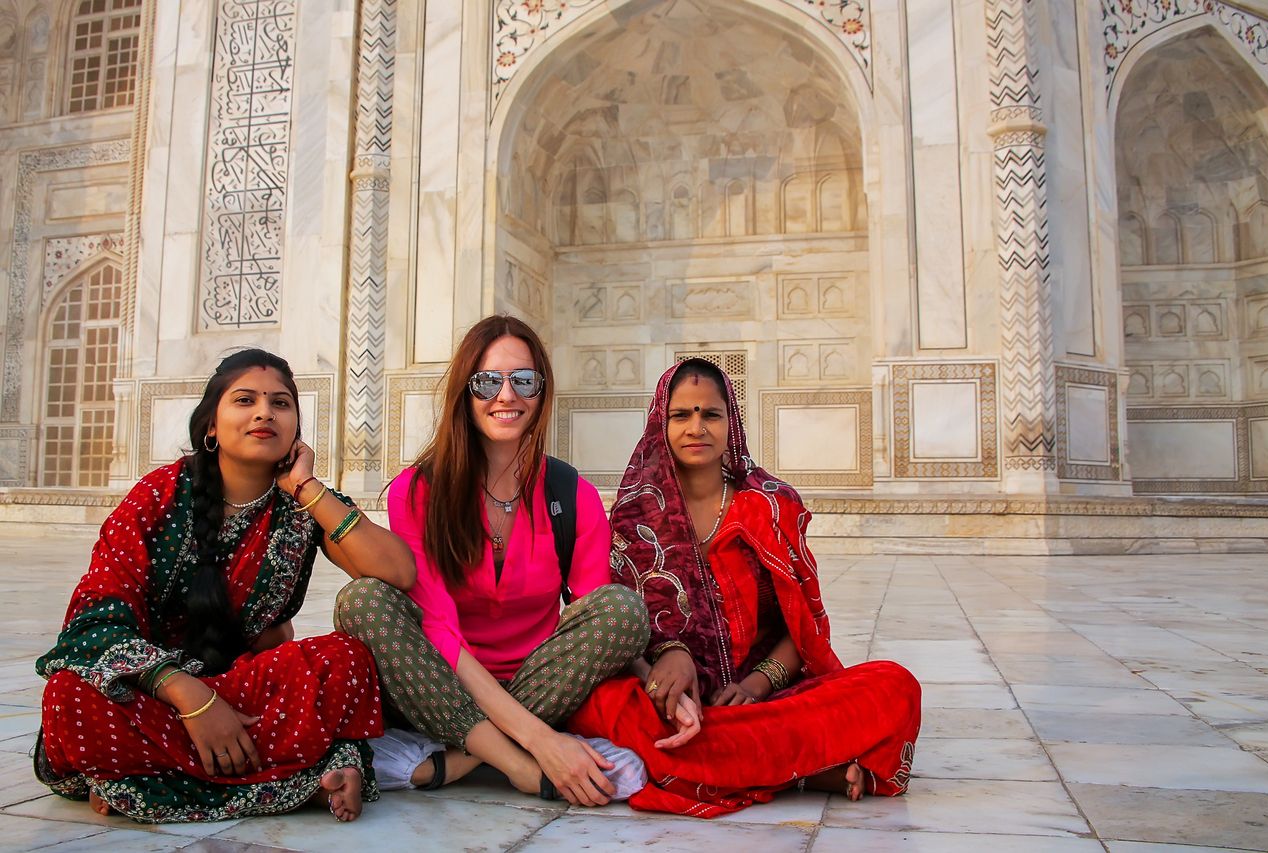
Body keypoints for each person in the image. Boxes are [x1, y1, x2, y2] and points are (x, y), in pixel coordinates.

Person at [34, 349, 416, 823]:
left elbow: (398, 573)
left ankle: (140, 783)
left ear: (295, 427)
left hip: (242, 696)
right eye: (245, 400)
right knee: (69, 696)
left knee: (346, 660)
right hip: (153, 694)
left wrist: (306, 488)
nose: (264, 413)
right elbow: (93, 622)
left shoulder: (302, 506)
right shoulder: (158, 496)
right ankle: (296, 779)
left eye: (280, 403)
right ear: (211, 425)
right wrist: (189, 696)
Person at [567, 358, 922, 817]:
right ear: (660, 423)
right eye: (681, 415)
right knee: (597, 703)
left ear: (730, 421)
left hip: (766, 704)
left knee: (894, 685)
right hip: (669, 706)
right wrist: (663, 668)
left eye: (710, 414)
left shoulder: (770, 505)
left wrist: (755, 686)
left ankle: (715, 764)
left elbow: (803, 630)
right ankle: (801, 771)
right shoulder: (635, 515)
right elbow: (616, 625)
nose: (697, 427)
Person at [334, 315, 652, 805]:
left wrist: (659, 673)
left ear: (542, 392)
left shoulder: (573, 494)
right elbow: (438, 630)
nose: (507, 396)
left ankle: (461, 761)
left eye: (524, 380)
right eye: (488, 381)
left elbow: (596, 611)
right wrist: (540, 744)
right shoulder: (418, 492)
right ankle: (513, 763)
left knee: (623, 610)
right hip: (439, 684)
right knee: (362, 601)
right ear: (465, 391)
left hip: (543, 680)